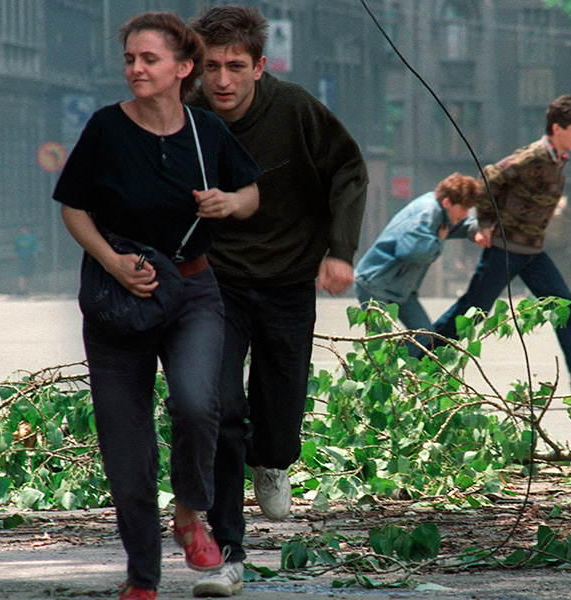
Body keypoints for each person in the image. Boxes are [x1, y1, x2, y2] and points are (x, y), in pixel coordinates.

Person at [52, 12, 260, 600]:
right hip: (119, 298)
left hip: (193, 290)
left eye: (149, 59)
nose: (136, 69)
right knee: (128, 450)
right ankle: (143, 577)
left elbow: (251, 192)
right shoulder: (104, 130)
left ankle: (192, 513)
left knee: (200, 404)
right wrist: (114, 262)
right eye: (130, 59)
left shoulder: (205, 131)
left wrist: (228, 203)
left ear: (182, 68)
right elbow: (73, 207)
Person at [188, 6, 368, 597]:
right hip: (215, 282)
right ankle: (228, 554)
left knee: (280, 408)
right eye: (211, 66)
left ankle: (273, 458)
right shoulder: (184, 117)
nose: (223, 80)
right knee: (217, 405)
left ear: (259, 67)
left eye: (236, 66)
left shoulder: (293, 109)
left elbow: (348, 169)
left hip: (290, 279)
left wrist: (340, 251)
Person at [430, 95, 571, 394]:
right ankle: (420, 352)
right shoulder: (534, 156)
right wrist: (486, 224)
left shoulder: (557, 159)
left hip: (531, 251)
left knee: (561, 303)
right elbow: (488, 178)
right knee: (474, 308)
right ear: (557, 128)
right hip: (505, 248)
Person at [354, 173, 479, 342]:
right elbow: (411, 252)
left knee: (424, 337)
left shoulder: (442, 212)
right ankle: (364, 368)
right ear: (447, 202)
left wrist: (483, 228)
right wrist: (439, 241)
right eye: (463, 209)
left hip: (400, 289)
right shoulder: (426, 214)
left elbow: (462, 225)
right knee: (379, 346)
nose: (465, 214)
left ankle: (393, 365)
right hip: (376, 285)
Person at [14, 226, 40, 294]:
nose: (24, 230)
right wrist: (16, 255)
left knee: (28, 274)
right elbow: (16, 248)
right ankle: (21, 289)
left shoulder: (32, 238)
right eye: (22, 229)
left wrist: (35, 253)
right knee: (21, 273)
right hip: (21, 258)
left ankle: (28, 289)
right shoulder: (19, 238)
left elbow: (35, 247)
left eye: (25, 229)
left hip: (30, 258)